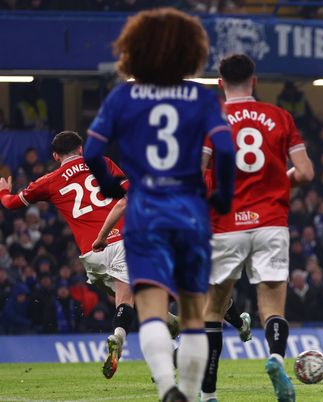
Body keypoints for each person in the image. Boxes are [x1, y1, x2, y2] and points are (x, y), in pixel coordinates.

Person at [83, 8, 235, 402]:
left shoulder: (123, 97)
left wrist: (111, 186)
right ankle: (188, 390)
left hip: (145, 213)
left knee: (150, 307)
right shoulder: (200, 98)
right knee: (191, 313)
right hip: (189, 213)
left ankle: (168, 388)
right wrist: (222, 195)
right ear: (191, 52)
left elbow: (92, 150)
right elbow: (223, 147)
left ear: (133, 51)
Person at [200, 54, 314, 402]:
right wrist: (279, 182)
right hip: (271, 222)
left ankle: (208, 394)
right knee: (272, 307)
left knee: (215, 309)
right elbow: (305, 172)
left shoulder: (212, 119)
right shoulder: (280, 117)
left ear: (220, 83)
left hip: (226, 223)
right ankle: (276, 359)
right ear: (254, 81)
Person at [0, 131, 143, 379]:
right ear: (81, 148)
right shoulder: (103, 162)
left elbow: (11, 204)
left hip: (91, 255)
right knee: (127, 300)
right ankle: (119, 336)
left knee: (131, 296)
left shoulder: (48, 180)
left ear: (55, 156)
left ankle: (169, 324)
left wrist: (3, 191)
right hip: (120, 240)